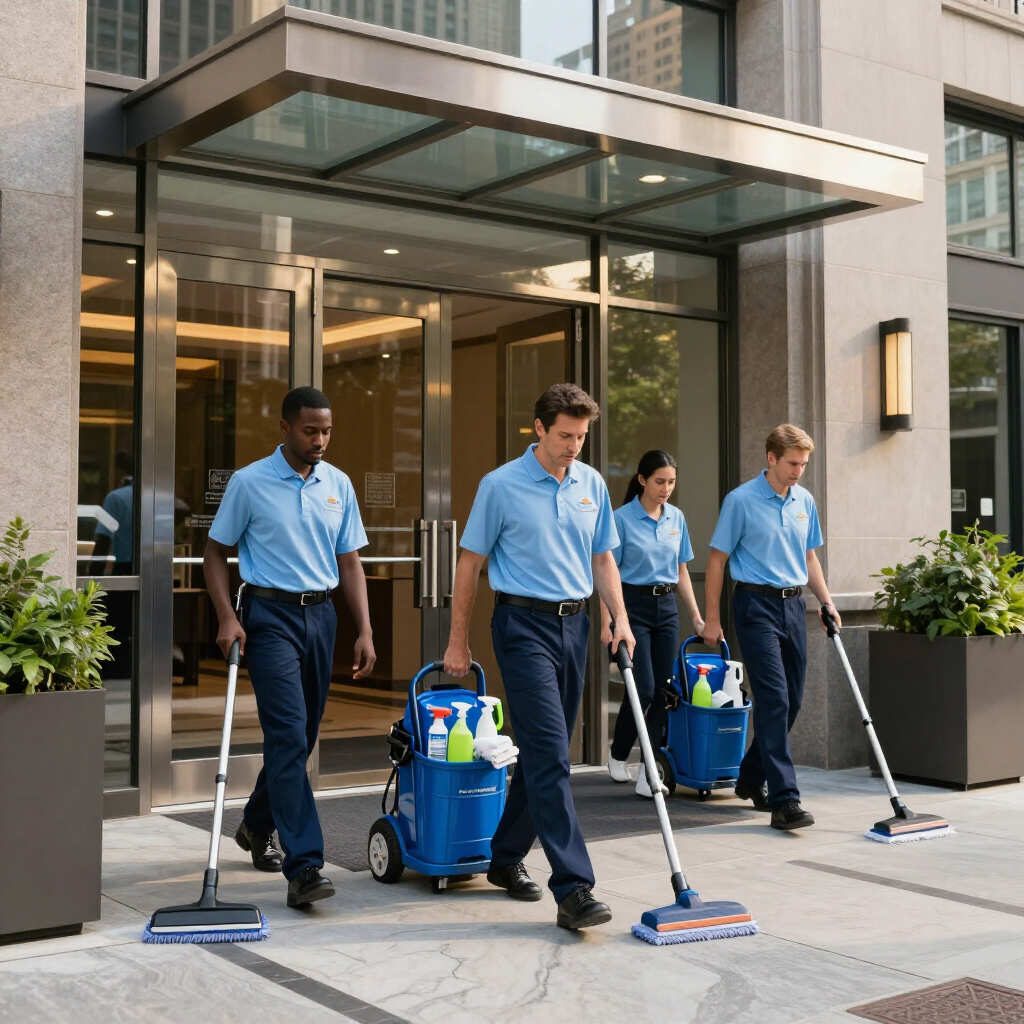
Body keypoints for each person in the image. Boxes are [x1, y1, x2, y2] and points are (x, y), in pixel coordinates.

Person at [443, 383, 635, 931]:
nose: (574, 446)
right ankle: (574, 887)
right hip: (522, 624)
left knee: (543, 753)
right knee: (551, 751)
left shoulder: (591, 483)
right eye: (566, 436)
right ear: (540, 428)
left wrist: (618, 617)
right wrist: (459, 639)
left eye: (581, 437)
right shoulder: (500, 486)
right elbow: (469, 563)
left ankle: (504, 858)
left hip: (575, 626)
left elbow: (603, 559)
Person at [204, 386, 375, 908]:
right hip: (269, 616)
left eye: (326, 430)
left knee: (299, 738)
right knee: (285, 734)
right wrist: (228, 618)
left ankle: (257, 824)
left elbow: (349, 562)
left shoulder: (337, 483)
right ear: (285, 428)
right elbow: (214, 553)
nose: (320, 439)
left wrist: (364, 628)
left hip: (320, 615)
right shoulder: (249, 482)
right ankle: (304, 866)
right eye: (309, 430)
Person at [702, 424, 839, 831]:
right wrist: (712, 617)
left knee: (792, 701)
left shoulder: (804, 501)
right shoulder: (741, 501)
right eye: (793, 463)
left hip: (793, 605)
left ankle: (749, 777)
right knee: (774, 698)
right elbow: (716, 561)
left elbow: (809, 557)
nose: (799, 470)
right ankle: (785, 800)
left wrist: (826, 601)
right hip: (754, 604)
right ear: (771, 458)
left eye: (804, 464)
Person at [601, 451, 704, 799]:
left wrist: (695, 615)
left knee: (662, 691)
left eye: (671, 482)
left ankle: (648, 771)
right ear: (642, 480)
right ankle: (618, 753)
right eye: (659, 481)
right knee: (642, 688)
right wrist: (608, 622)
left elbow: (682, 570)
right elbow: (606, 573)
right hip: (631, 607)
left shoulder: (676, 518)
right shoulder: (621, 519)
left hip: (667, 608)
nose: (666, 489)